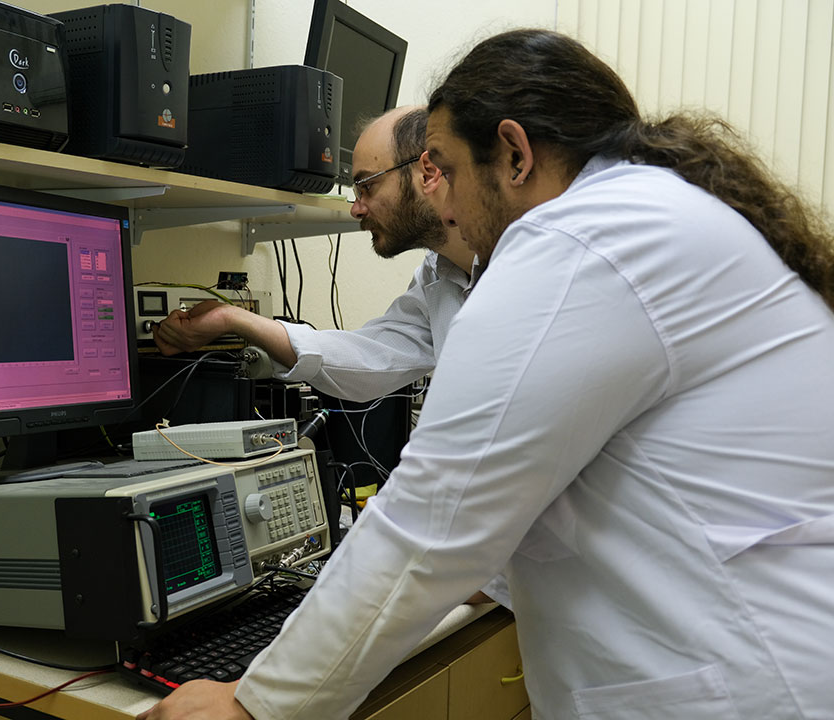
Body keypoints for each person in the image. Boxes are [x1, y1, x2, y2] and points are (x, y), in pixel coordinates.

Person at [141, 28, 834, 720]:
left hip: (747, 680)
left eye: (440, 164)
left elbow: (432, 520)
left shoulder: (581, 240)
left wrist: (252, 705)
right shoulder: (644, 215)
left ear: (514, 153)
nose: (441, 200)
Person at [151, 105, 479, 403]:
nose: (357, 209)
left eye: (367, 186)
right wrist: (233, 318)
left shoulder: (517, 265)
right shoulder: (440, 276)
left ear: (429, 171)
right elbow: (370, 360)